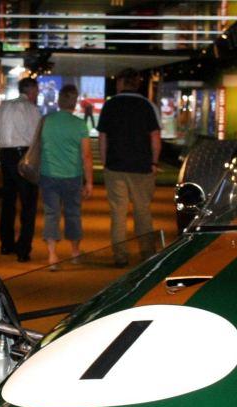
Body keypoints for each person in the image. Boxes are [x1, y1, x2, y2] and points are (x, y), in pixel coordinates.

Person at [96, 67, 161, 267]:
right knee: (142, 211)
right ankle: (147, 253)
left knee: (118, 212)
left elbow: (103, 137)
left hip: (115, 166)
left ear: (122, 83)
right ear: (137, 83)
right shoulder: (148, 106)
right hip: (142, 167)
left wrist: (105, 161)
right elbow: (155, 138)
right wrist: (154, 162)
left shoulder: (110, 105)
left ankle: (120, 255)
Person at [0, 77, 41, 262]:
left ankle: (6, 244)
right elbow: (37, 139)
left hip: (6, 156)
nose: (38, 94)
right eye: (37, 91)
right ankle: (23, 249)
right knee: (28, 204)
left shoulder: (5, 107)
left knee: (8, 203)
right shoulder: (32, 110)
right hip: (25, 157)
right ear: (31, 91)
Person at [39, 84, 93, 267]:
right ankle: (75, 252)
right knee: (73, 213)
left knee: (51, 213)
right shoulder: (79, 125)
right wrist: (89, 182)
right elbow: (86, 155)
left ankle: (52, 256)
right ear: (74, 102)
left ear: (59, 100)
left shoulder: (46, 121)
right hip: (72, 176)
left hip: (48, 174)